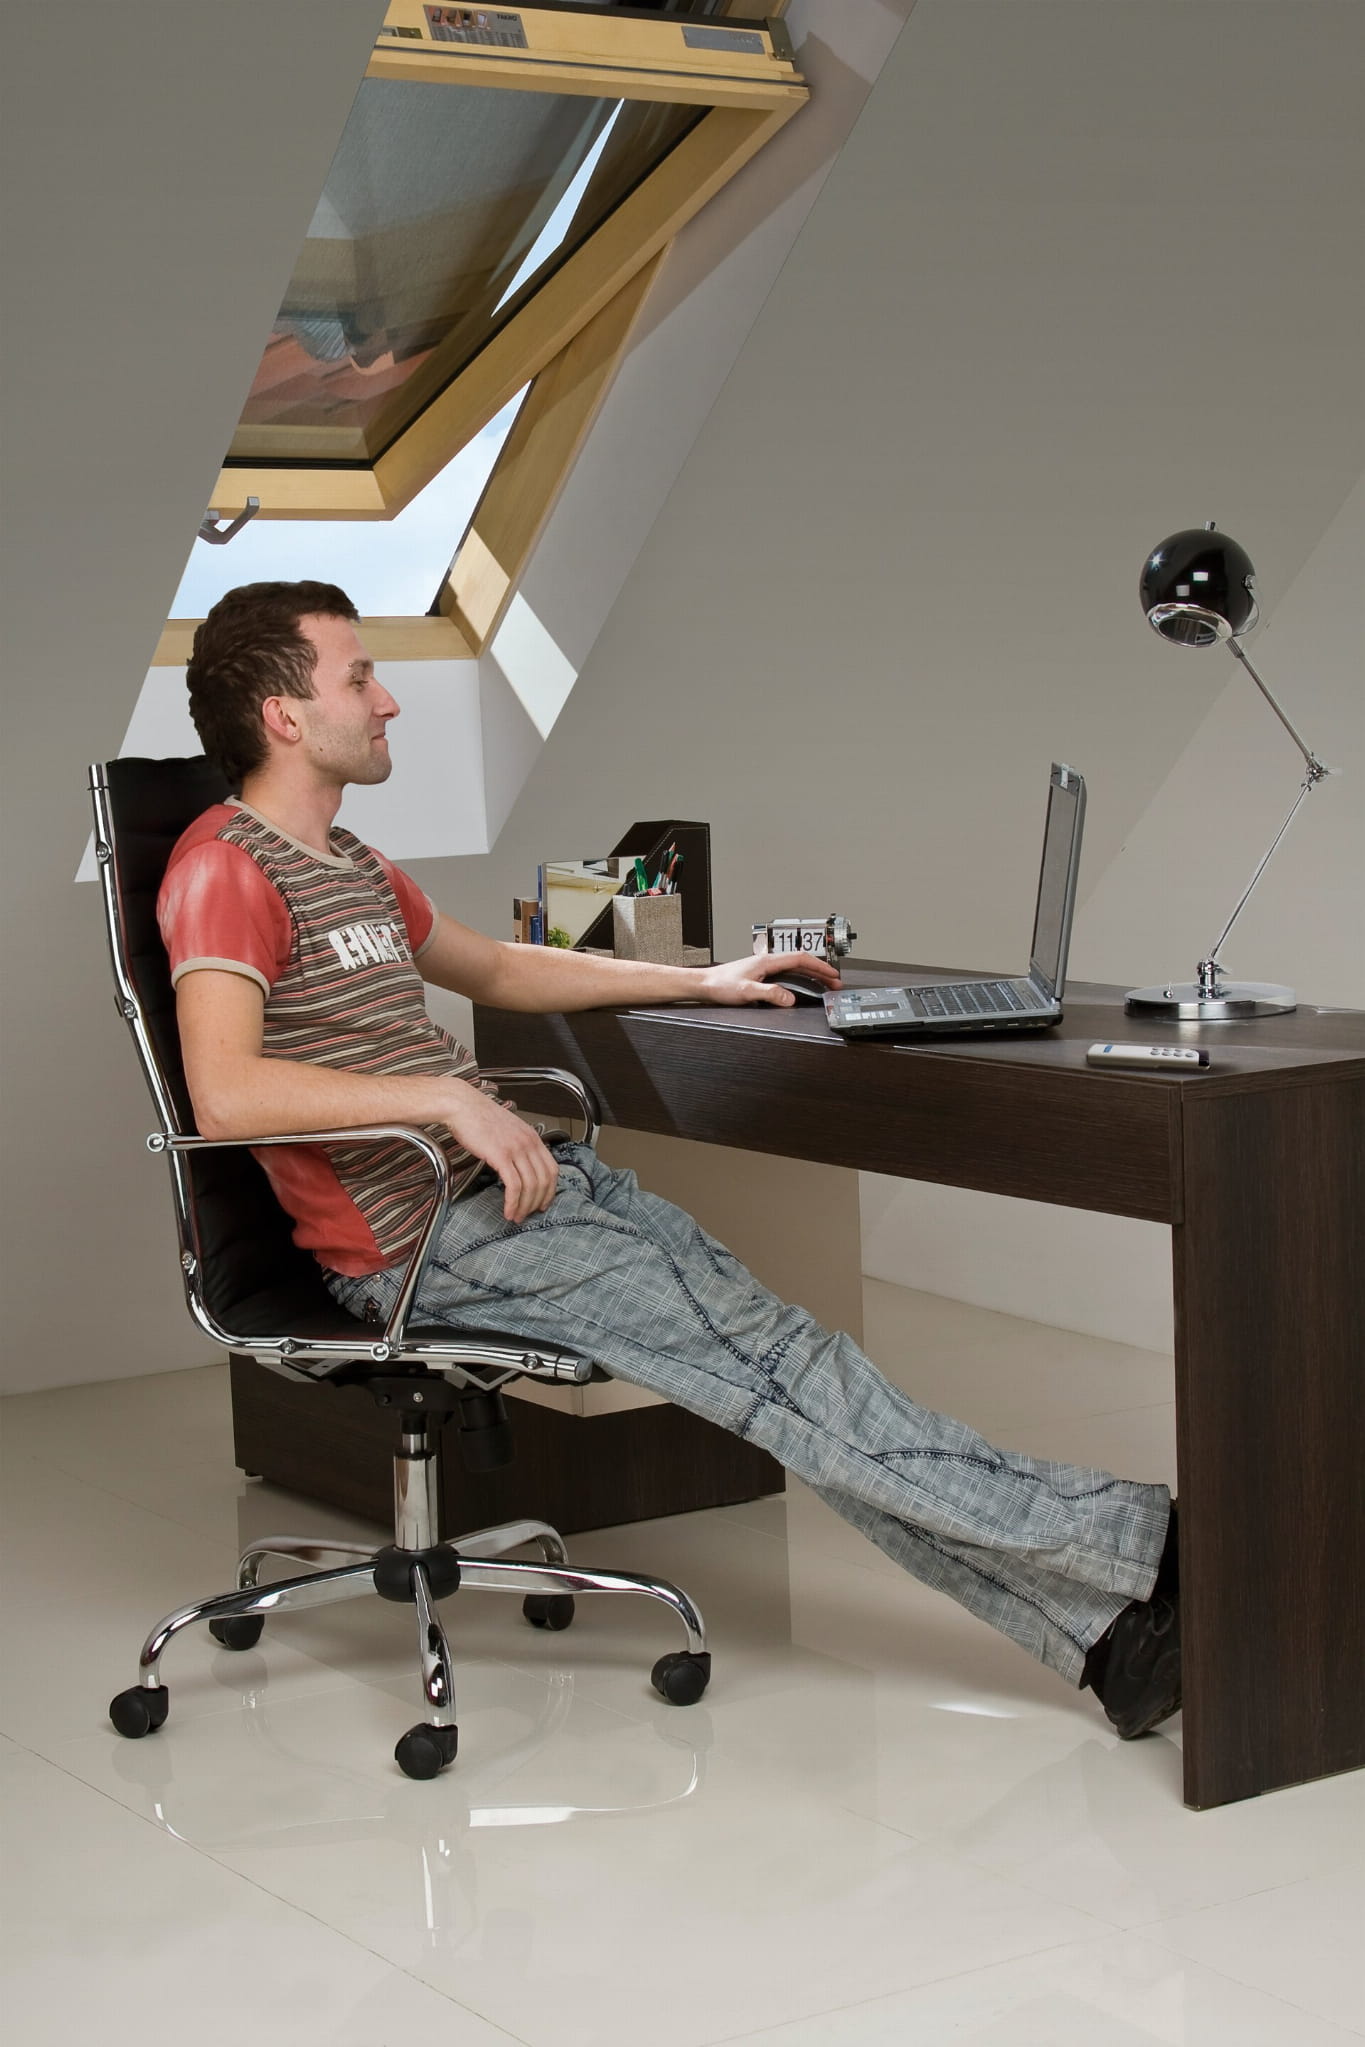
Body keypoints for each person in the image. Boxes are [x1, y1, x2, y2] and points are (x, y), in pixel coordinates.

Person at [159, 579, 1180, 1740]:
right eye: (358, 678)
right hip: (422, 1244)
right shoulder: (224, 871)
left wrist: (704, 979)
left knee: (788, 1383)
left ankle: (1110, 1641)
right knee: (789, 1375)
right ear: (285, 714)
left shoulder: (352, 861)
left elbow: (499, 968)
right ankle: (1141, 1541)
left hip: (523, 1196)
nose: (387, 700)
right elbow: (225, 1092)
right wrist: (443, 1097)